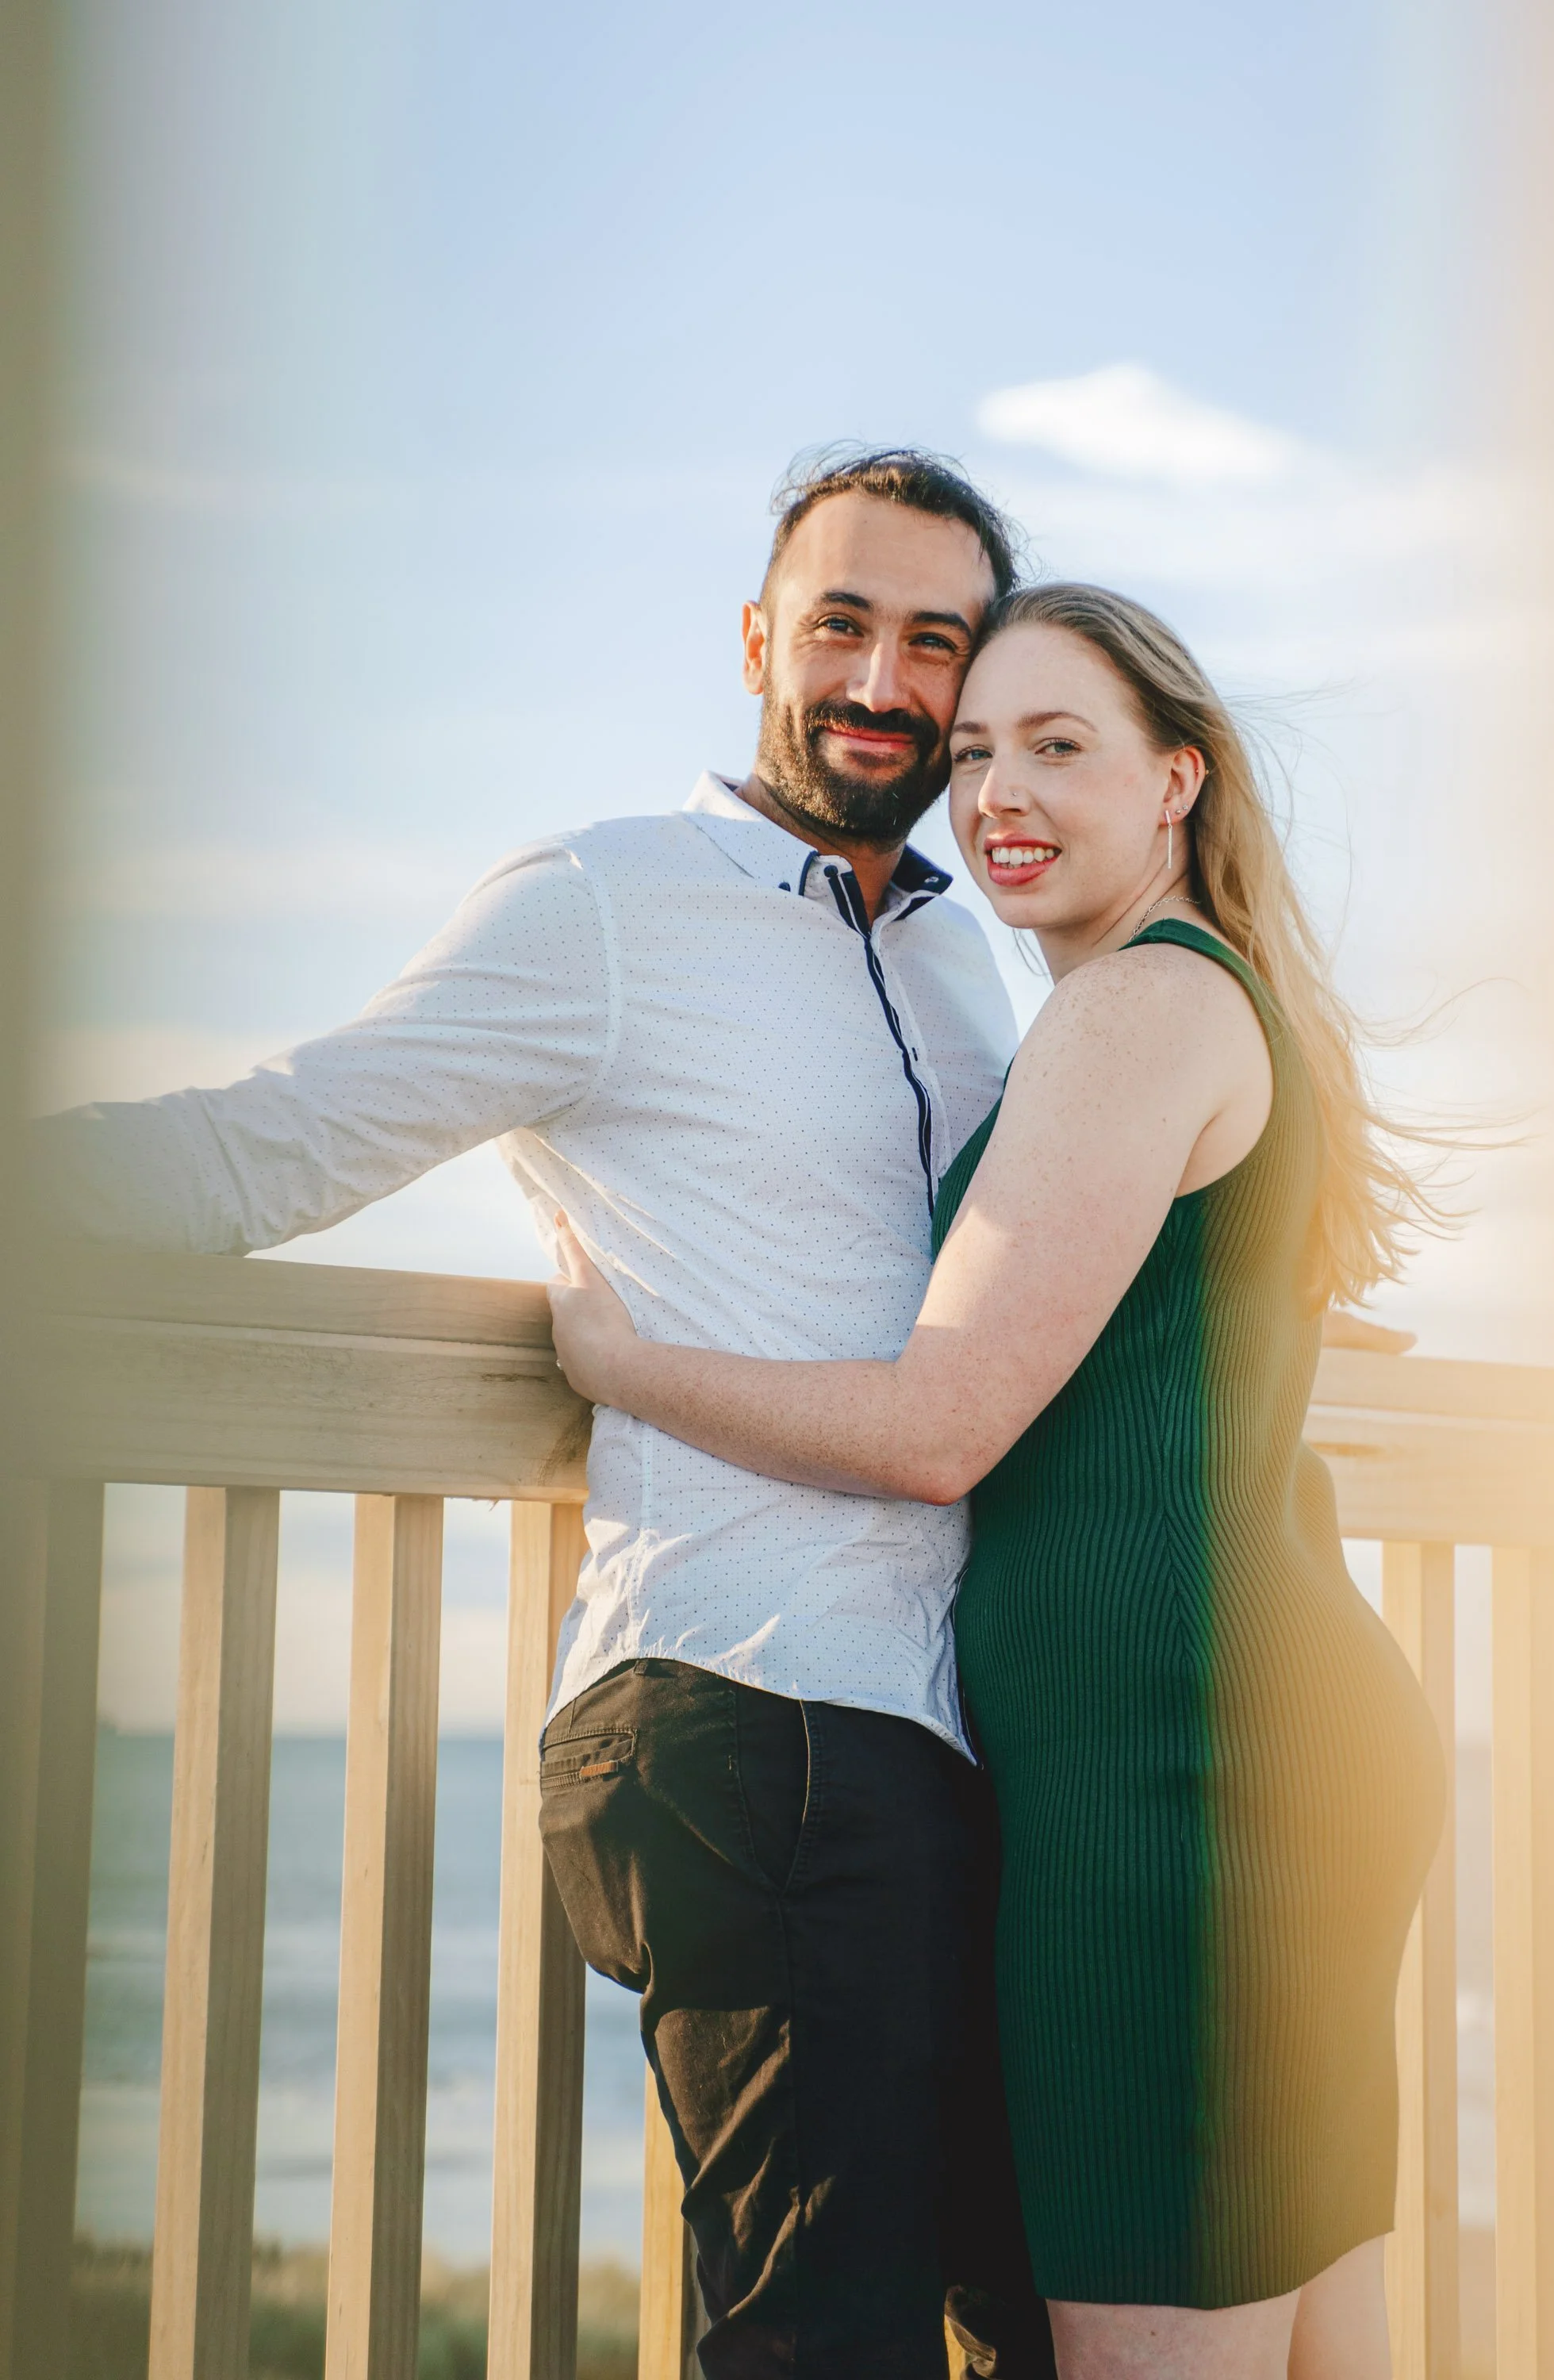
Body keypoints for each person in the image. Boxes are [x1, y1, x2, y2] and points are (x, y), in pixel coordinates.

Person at [35, 449, 1060, 2378]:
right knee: (819, 2349)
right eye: (841, 621)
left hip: (935, 1739)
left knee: (1042, 2322)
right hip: (752, 1708)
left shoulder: (957, 946)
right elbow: (270, 1146)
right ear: (760, 639)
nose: (881, 679)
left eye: (936, 641)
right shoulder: (605, 901)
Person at [547, 582, 1450, 2380]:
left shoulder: (1133, 1014)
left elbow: (940, 1425)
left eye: (1058, 747)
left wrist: (618, 1358)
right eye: (975, 755)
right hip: (1242, 1750)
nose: (999, 795)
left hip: (1177, 1798)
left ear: (1178, 777)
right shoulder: (1201, 1003)